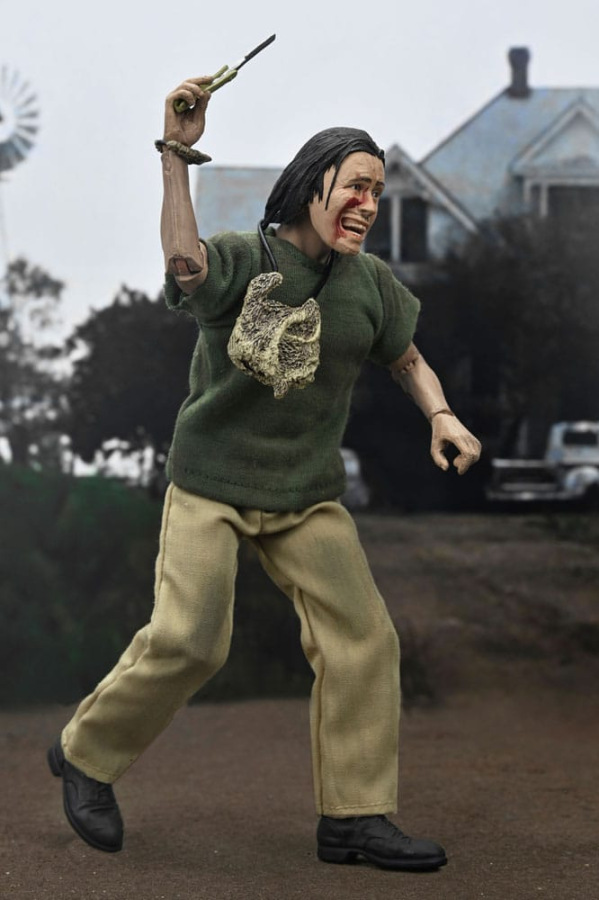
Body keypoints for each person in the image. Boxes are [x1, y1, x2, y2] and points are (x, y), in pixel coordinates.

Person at [48, 75, 481, 871]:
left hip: (304, 496)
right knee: (190, 639)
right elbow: (184, 264)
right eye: (354, 186)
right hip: (210, 483)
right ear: (311, 184)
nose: (367, 205)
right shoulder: (246, 259)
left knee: (363, 640)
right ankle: (85, 753)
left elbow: (405, 357)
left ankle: (354, 816)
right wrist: (175, 153)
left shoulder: (369, 285)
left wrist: (441, 415)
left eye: (377, 193)